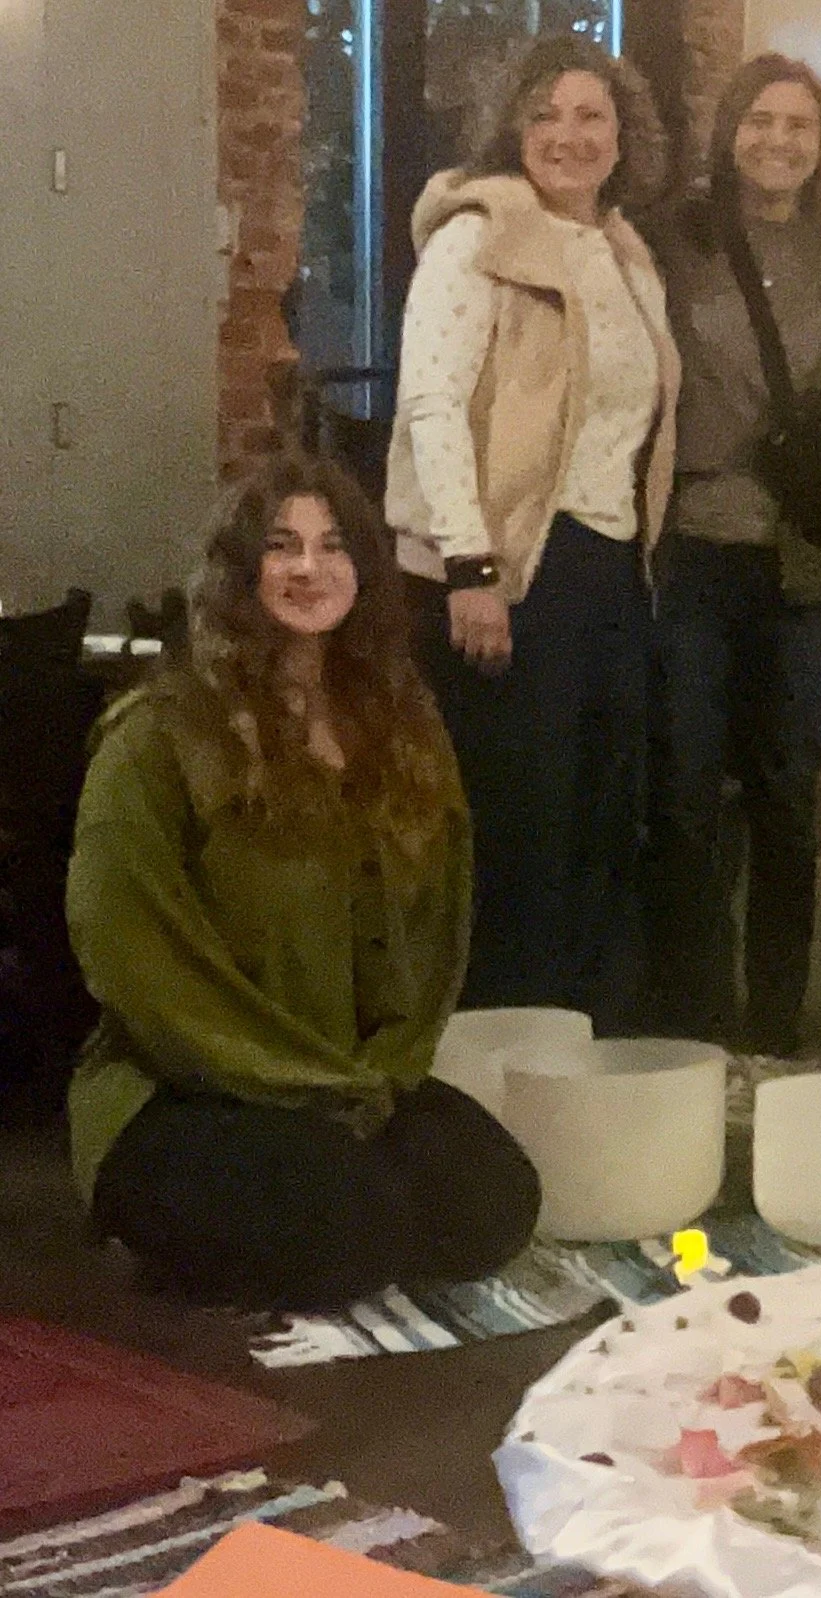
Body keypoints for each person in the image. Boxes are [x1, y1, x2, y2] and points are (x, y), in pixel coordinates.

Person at [67, 455, 539, 1309]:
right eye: (282, 547)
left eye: (332, 547)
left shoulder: (403, 725)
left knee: (494, 1207)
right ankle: (177, 1230)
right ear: (240, 572)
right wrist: (291, 1085)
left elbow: (441, 925)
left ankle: (322, 1190)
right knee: (347, 1232)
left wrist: (382, 1074)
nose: (308, 569)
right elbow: (131, 954)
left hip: (348, 1085)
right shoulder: (158, 735)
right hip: (185, 1088)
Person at [385, 35, 679, 1031]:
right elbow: (431, 405)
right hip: (510, 566)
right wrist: (470, 565)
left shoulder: (626, 252)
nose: (568, 133)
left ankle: (578, 1060)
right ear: (512, 127)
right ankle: (496, 1067)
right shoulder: (480, 234)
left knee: (600, 825)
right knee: (521, 832)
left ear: (622, 134)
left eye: (591, 114)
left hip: (608, 568)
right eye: (546, 114)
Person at [641, 54, 821, 1054]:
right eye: (761, 121)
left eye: (800, 126)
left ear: (820, 146)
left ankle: (776, 1028)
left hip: (804, 559)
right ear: (729, 130)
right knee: (689, 795)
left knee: (787, 799)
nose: (778, 141)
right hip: (696, 545)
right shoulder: (673, 242)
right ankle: (693, 1020)